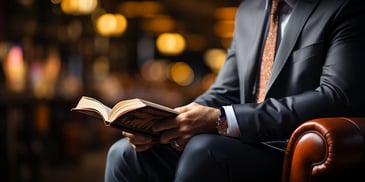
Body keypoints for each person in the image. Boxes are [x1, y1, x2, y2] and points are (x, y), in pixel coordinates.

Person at [104, 0, 365, 181]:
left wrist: (222, 120)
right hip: (239, 142)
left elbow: (336, 96)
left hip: (288, 147)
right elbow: (224, 91)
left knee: (204, 150)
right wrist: (167, 123)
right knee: (124, 154)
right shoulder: (249, 10)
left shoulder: (344, 7)